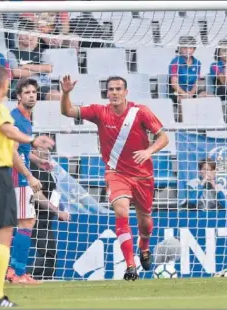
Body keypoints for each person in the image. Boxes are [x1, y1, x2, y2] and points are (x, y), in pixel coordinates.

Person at [60, 75, 169, 281]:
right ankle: (130, 265)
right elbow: (67, 111)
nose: (115, 93)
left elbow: (164, 137)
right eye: (111, 89)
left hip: (143, 175)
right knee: (121, 211)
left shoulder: (141, 112)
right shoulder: (99, 112)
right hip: (116, 173)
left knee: (145, 222)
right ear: (107, 93)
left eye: (119, 89)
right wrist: (66, 93)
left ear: (126, 92)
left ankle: (144, 246)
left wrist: (149, 151)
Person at [0, 65, 54, 307]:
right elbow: (11, 141)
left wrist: (35, 160)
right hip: (5, 177)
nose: (32, 95)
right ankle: (8, 282)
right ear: (5, 85)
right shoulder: (1, 110)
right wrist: (32, 146)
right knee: (11, 232)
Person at [5, 78, 54, 284]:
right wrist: (29, 175)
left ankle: (11, 271)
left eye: (34, 92)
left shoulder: (24, 117)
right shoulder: (16, 119)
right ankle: (18, 273)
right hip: (16, 178)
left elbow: (21, 150)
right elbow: (11, 152)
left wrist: (37, 161)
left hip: (10, 177)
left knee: (16, 225)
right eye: (27, 92)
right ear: (18, 96)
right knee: (26, 222)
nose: (31, 95)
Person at [29, 150, 70, 280]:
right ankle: (32, 279)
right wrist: (57, 211)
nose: (47, 150)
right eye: (42, 145)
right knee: (48, 253)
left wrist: (59, 209)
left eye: (48, 147)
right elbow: (37, 195)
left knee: (49, 254)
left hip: (46, 218)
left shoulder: (47, 168)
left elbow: (53, 192)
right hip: (36, 217)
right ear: (33, 151)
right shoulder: (32, 168)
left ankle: (39, 281)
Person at [7, 21, 61, 101]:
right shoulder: (12, 53)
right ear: (18, 35)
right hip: (21, 87)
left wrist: (25, 67)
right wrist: (39, 70)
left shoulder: (41, 52)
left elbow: (48, 68)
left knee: (58, 96)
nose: (28, 36)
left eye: (30, 33)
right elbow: (16, 72)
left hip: (41, 86)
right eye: (24, 33)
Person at [168, 36, 205, 122]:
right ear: (180, 49)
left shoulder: (197, 63)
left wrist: (191, 93)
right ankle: (183, 127)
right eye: (185, 47)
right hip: (177, 92)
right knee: (182, 100)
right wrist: (184, 94)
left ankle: (202, 126)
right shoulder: (175, 62)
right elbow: (174, 84)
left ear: (194, 49)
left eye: (190, 48)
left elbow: (196, 82)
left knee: (206, 95)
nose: (188, 50)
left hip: (191, 92)